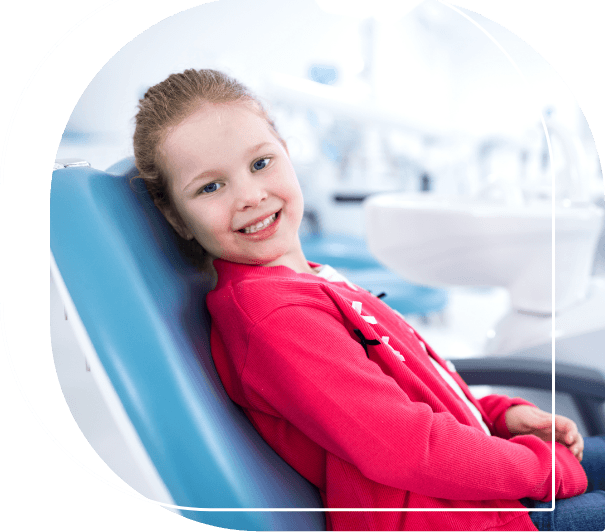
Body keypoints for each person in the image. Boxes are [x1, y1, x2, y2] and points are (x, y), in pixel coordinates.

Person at [133, 68, 605, 531]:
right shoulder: (275, 318)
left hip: (473, 494)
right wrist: (549, 471)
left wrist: (499, 416)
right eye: (210, 187)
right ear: (175, 216)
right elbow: (407, 448)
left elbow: (418, 384)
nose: (251, 195)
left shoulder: (311, 281)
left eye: (261, 163)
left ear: (287, 153)